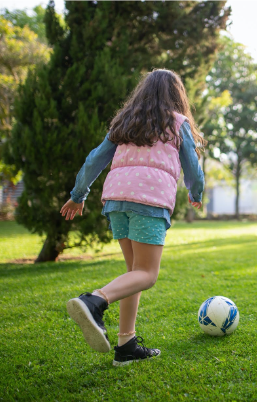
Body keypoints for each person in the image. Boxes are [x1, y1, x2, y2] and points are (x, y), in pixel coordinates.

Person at [61, 69, 206, 366]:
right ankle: (94, 301)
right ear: (177, 95)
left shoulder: (125, 122)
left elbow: (94, 159)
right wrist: (196, 191)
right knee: (147, 275)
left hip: (116, 200)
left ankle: (126, 345)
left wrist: (78, 195)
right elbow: (192, 164)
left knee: (133, 273)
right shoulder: (178, 123)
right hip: (148, 201)